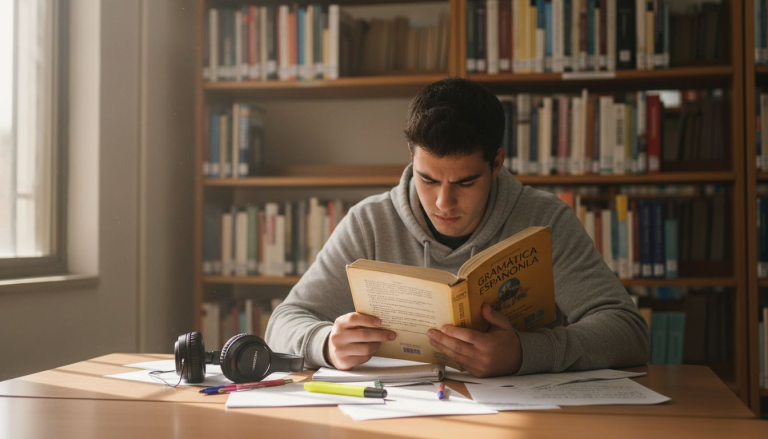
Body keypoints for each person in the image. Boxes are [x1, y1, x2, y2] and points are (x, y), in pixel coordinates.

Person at [265, 78, 650, 377]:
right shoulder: (370, 221)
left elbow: (628, 332)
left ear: (496, 164)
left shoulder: (544, 220)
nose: (443, 203)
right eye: (428, 179)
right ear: (411, 156)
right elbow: (282, 323)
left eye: (465, 183)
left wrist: (524, 353)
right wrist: (325, 344)